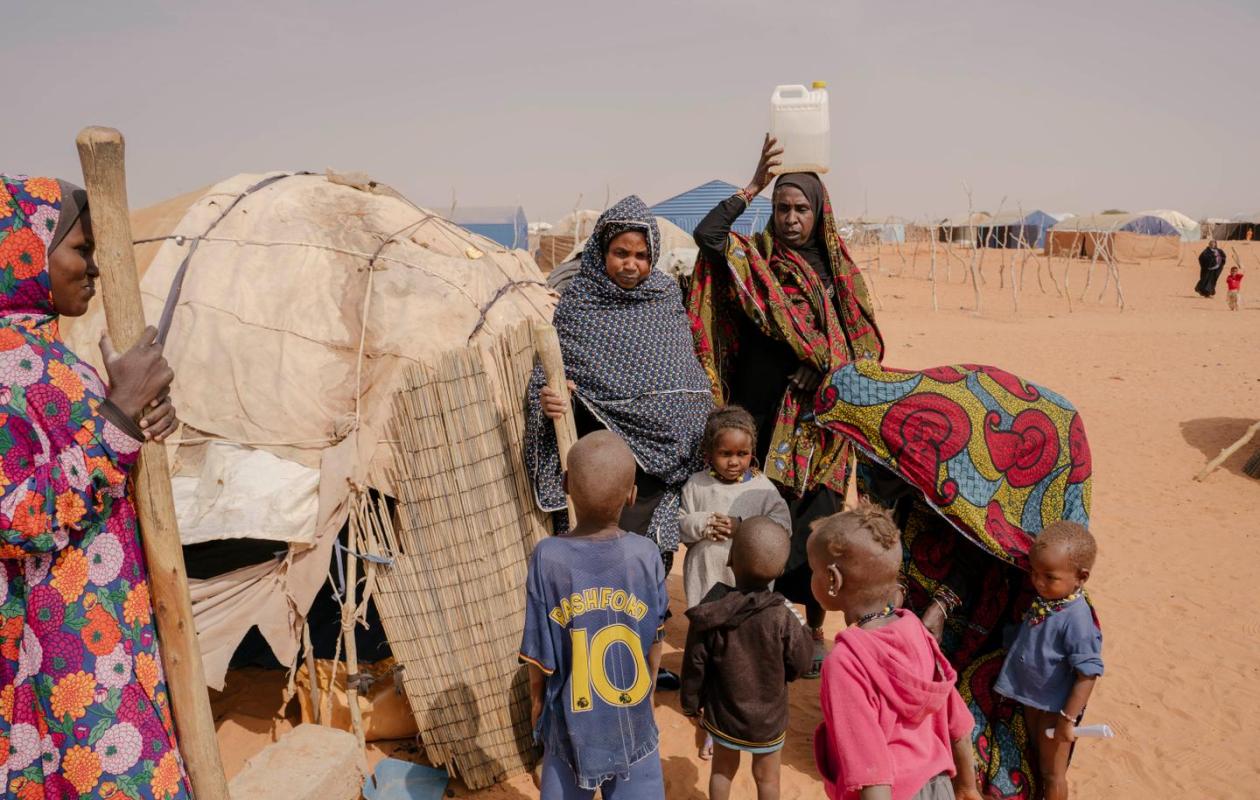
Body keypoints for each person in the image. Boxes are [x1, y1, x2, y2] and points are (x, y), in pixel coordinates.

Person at [813, 359, 1095, 799]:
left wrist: (941, 605)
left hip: (988, 577)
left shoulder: (955, 457)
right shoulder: (892, 442)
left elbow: (979, 541)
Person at [0, 175, 187, 798]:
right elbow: (17, 514)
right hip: (57, 650)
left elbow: (99, 463)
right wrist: (116, 421)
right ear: (23, 250)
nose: (96, 269)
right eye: (82, 250)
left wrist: (142, 422)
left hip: (107, 628)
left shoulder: (51, 357)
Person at [688, 136, 883, 675]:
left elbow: (867, 350)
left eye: (801, 208)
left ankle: (814, 628)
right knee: (755, 518)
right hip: (759, 413)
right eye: (782, 208)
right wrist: (751, 186)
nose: (791, 218)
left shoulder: (840, 274)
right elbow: (708, 235)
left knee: (817, 526)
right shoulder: (756, 259)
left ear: (820, 214)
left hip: (817, 430)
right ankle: (752, 619)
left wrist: (823, 364)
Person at [519, 431, 669, 799]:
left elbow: (539, 651)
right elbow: (656, 636)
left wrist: (537, 701)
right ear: (632, 495)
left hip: (570, 727)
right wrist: (647, 692)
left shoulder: (548, 556)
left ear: (566, 484)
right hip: (632, 720)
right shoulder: (646, 554)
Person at [808, 505, 982, 800]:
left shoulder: (845, 662)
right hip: (938, 787)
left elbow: (872, 773)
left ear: (833, 580)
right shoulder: (915, 630)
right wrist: (966, 786)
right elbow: (957, 720)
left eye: (813, 571)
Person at [680, 516, 813, 800]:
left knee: (721, 772)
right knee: (768, 780)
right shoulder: (784, 615)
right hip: (768, 720)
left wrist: (691, 703)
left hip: (724, 715)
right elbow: (801, 664)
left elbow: (695, 662)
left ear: (730, 558)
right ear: (779, 570)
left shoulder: (713, 607)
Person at [995, 522, 1102, 800]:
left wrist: (1067, 719)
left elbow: (1088, 674)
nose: (1038, 582)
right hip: (1033, 701)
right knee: (1037, 761)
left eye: (1049, 577)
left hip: (1055, 709)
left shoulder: (1077, 619)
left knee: (1053, 773)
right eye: (1034, 573)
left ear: (1082, 577)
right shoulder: (1047, 601)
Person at [679, 406, 791, 610]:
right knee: (706, 620)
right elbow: (680, 525)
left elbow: (783, 528)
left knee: (742, 627)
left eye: (742, 454)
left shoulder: (763, 488)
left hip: (749, 582)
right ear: (709, 452)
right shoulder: (697, 484)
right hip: (705, 574)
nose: (734, 462)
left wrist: (744, 528)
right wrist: (705, 523)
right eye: (725, 453)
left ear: (752, 452)